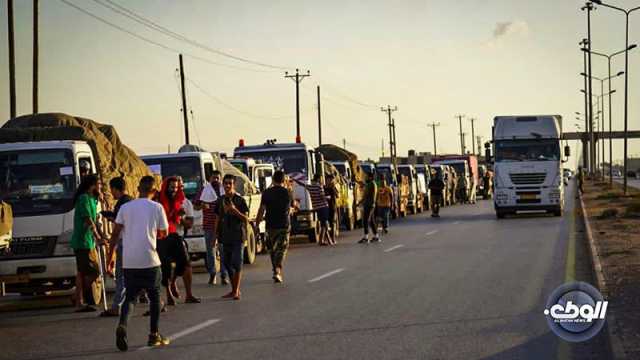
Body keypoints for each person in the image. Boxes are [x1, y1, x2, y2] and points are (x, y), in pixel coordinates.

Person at [108, 176, 170, 351]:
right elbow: (163, 233)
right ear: (154, 191)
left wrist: (109, 259)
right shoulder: (157, 207)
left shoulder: (125, 208)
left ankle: (123, 325)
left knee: (130, 298)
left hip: (129, 262)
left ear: (138, 188)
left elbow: (114, 234)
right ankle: (154, 335)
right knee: (155, 297)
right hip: (150, 260)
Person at [156, 177, 200, 305]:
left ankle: (189, 294)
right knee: (165, 266)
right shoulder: (158, 202)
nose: (174, 190)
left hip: (177, 236)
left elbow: (189, 223)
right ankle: (169, 294)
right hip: (161, 237)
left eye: (177, 187)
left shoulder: (184, 203)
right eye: (172, 187)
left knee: (185, 264)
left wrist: (181, 219)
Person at [100, 177, 133, 317]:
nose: (111, 193)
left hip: (124, 243)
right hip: (133, 242)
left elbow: (119, 225)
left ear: (114, 188)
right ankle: (157, 301)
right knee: (137, 275)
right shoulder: (130, 201)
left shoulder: (122, 204)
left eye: (111, 189)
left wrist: (110, 251)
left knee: (121, 276)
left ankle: (116, 307)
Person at [214, 174, 249, 300]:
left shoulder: (240, 200)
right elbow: (217, 219)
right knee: (227, 263)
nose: (228, 185)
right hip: (224, 236)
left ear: (234, 185)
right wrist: (215, 236)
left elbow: (246, 219)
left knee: (237, 262)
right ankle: (234, 290)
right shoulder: (220, 200)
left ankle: (236, 290)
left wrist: (235, 211)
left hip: (238, 236)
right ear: (223, 185)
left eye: (230, 183)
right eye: (226, 183)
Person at [71, 174, 102, 313]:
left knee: (82, 272)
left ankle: (78, 299)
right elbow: (88, 220)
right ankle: (78, 297)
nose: (100, 186)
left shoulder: (92, 199)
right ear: (92, 185)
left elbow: (96, 219)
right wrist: (97, 236)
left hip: (89, 242)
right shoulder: (83, 198)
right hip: (82, 242)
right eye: (99, 184)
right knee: (93, 271)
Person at [256, 170, 292, 283]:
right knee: (281, 249)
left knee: (272, 249)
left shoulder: (266, 193)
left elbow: (261, 209)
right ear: (283, 180)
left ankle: (275, 270)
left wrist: (257, 223)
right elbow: (291, 207)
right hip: (283, 225)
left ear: (273, 179)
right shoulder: (287, 192)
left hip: (270, 225)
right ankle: (277, 270)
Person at [194, 170, 228, 286]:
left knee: (224, 251)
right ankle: (212, 273)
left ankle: (224, 275)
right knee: (210, 251)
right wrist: (202, 205)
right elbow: (196, 205)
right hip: (209, 225)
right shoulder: (204, 191)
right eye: (214, 178)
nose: (216, 180)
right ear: (210, 179)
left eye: (218, 178)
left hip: (223, 226)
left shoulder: (224, 191)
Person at [306, 174, 330, 245]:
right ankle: (321, 240)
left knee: (323, 224)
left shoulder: (310, 187)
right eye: (321, 178)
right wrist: (328, 197)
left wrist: (296, 179)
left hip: (316, 207)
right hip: (323, 207)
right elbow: (322, 196)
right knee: (324, 224)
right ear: (318, 179)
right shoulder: (319, 187)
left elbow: (303, 185)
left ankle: (325, 240)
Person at [359, 172, 378, 243]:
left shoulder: (371, 184)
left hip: (369, 205)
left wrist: (359, 202)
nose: (365, 178)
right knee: (371, 221)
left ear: (370, 177)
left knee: (366, 220)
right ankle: (376, 236)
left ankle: (366, 237)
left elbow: (365, 195)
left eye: (366, 177)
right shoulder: (372, 184)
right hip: (370, 205)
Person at [324, 175, 339, 245]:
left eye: (331, 180)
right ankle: (327, 239)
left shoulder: (333, 187)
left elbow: (337, 195)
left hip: (333, 207)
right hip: (326, 207)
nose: (330, 181)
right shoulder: (324, 187)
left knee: (332, 223)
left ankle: (332, 239)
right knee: (326, 224)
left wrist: (333, 188)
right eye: (329, 179)